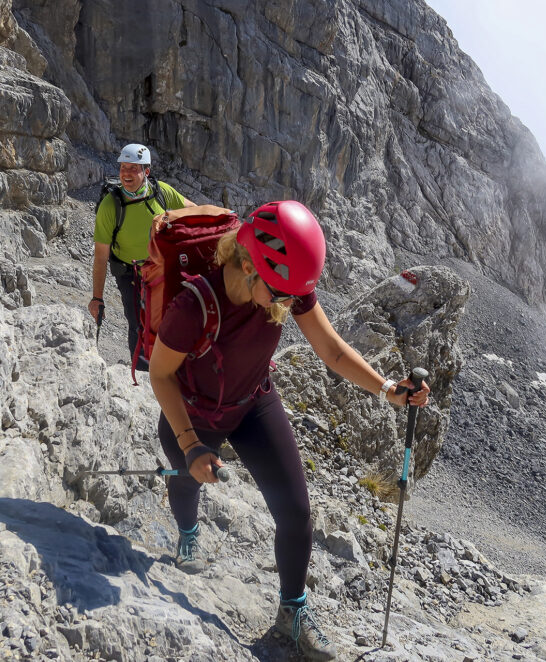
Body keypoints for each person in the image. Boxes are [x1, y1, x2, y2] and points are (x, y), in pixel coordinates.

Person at [148, 200, 430, 661]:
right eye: (279, 295)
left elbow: (333, 351)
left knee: (296, 512)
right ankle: (187, 532)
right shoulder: (193, 306)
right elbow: (161, 376)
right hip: (193, 411)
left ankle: (292, 612)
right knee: (185, 478)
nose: (286, 306)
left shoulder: (285, 285)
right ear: (246, 265)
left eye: (291, 297)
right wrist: (190, 444)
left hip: (253, 402)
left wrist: (387, 389)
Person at [89, 143, 195, 368]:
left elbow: (191, 210)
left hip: (161, 268)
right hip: (129, 272)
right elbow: (100, 256)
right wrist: (97, 298)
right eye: (123, 167)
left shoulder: (162, 192)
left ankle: (170, 370)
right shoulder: (111, 206)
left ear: (146, 172)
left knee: (169, 319)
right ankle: (143, 376)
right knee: (137, 323)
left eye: (133, 168)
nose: (126, 173)